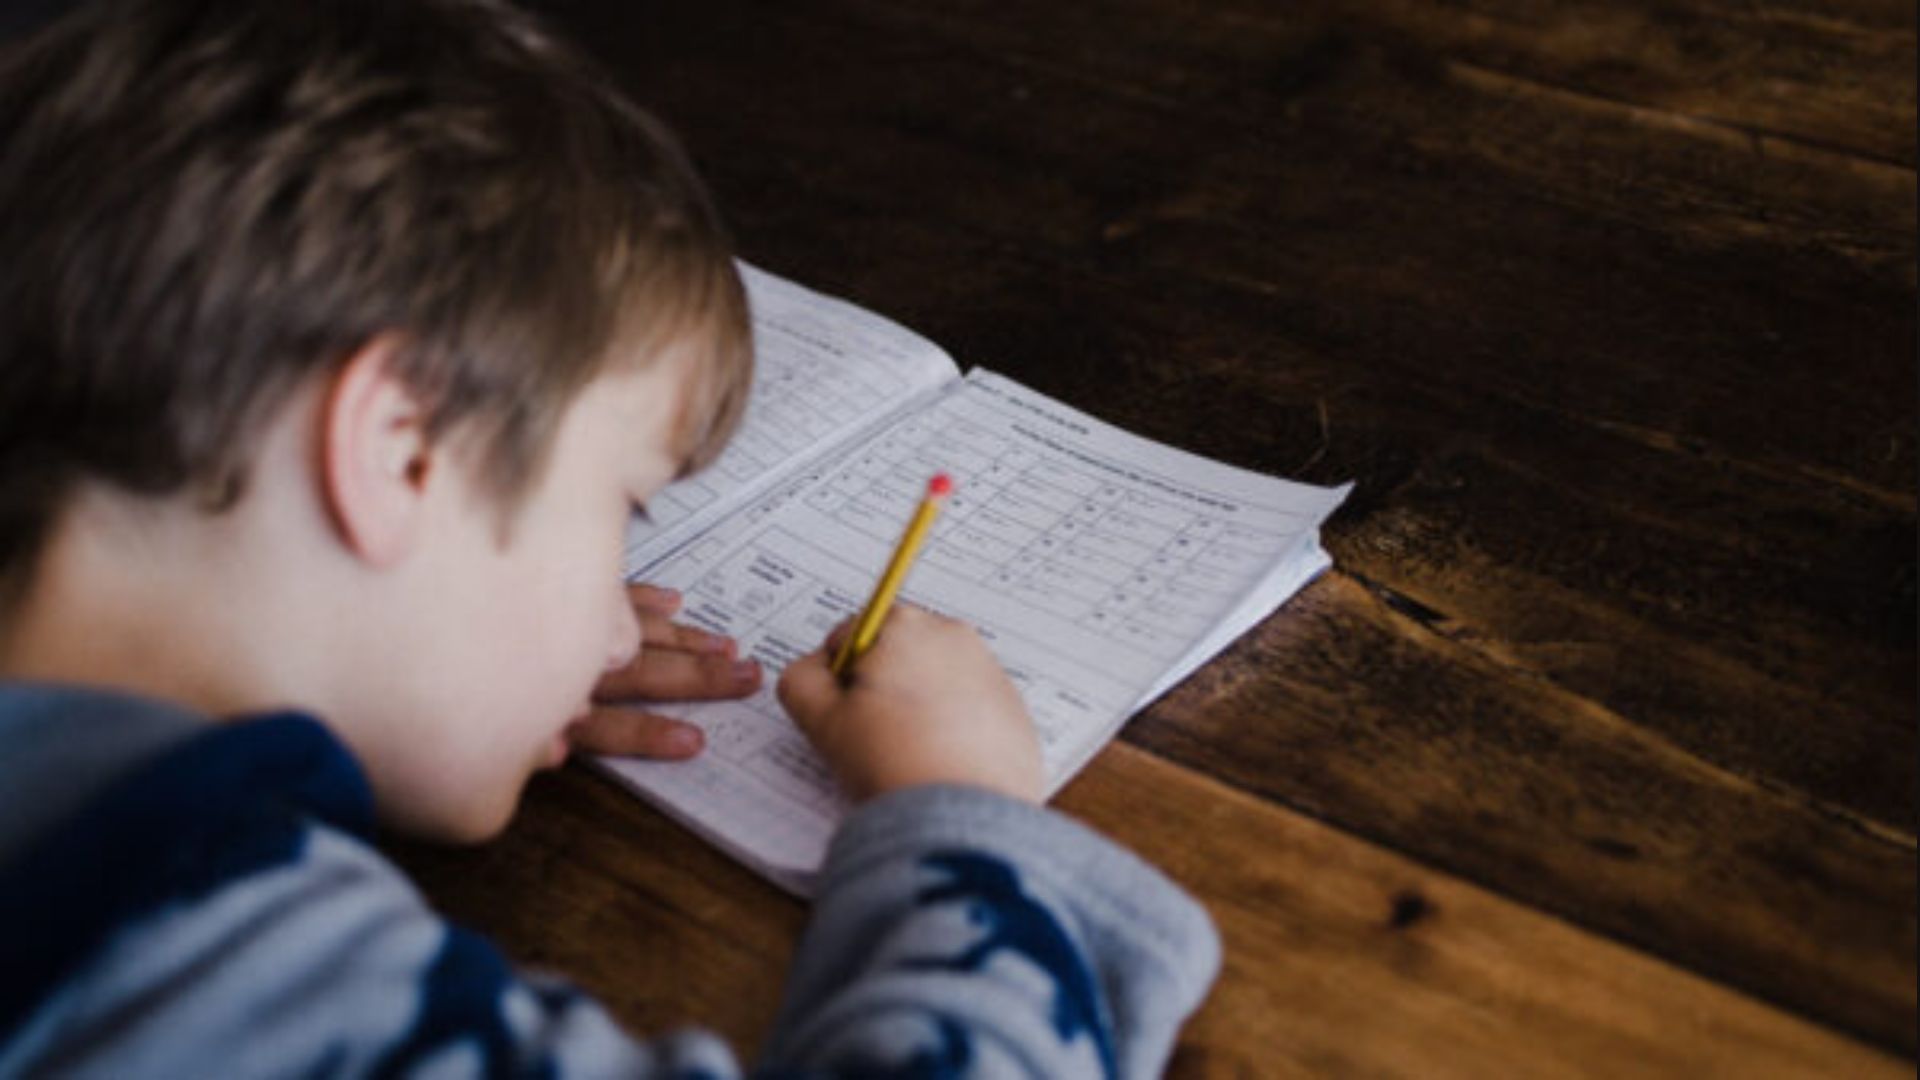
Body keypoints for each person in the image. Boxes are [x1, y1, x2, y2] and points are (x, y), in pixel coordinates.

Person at [0, 0, 1221, 1076]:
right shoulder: (194, 963)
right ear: (401, 451)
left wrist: (427, 681)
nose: (614, 629)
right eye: (622, 509)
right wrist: (962, 814)